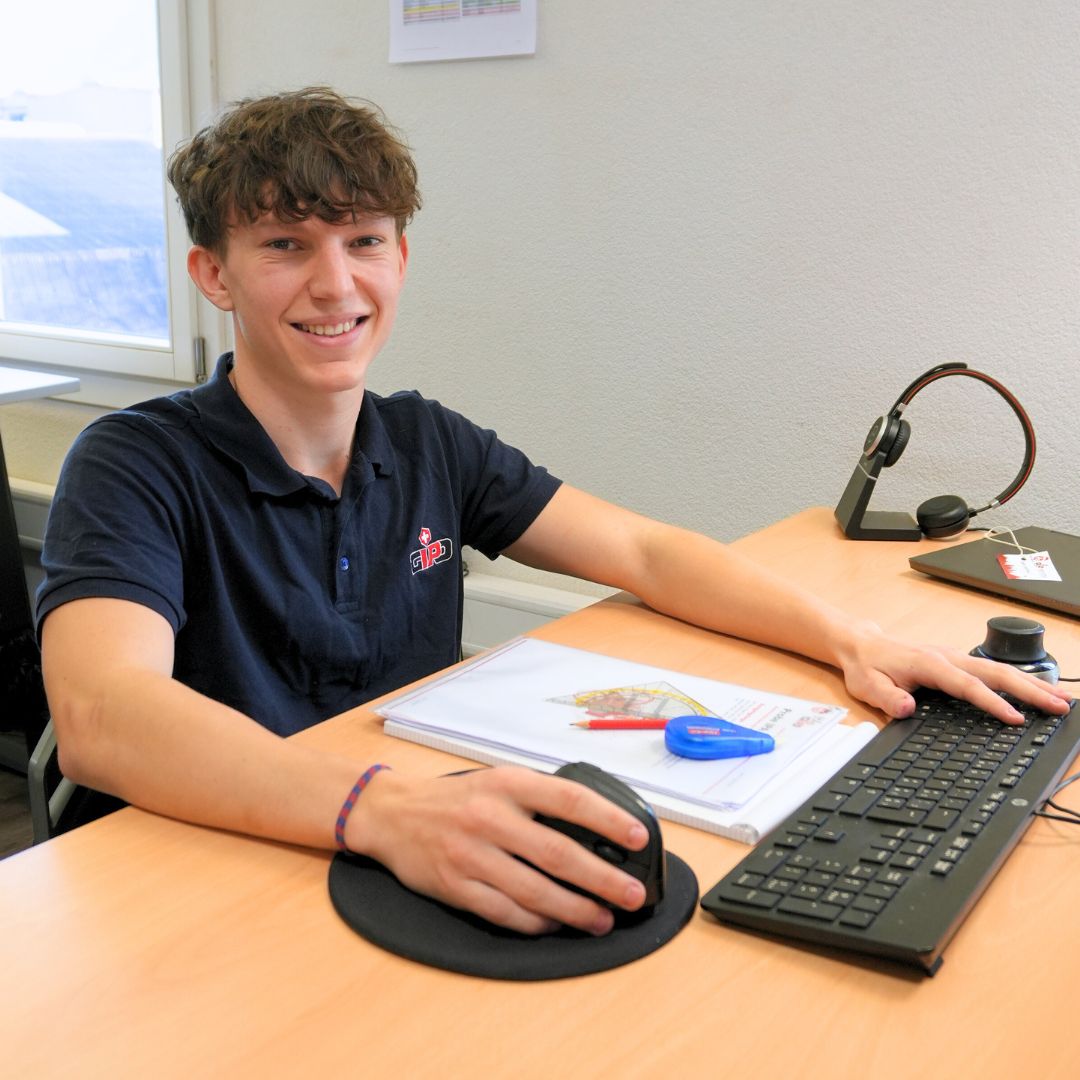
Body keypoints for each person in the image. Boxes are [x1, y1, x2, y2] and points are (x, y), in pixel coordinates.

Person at [36, 88, 1072, 938]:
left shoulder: (427, 441)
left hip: (402, 843)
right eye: (285, 245)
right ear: (213, 274)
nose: (334, 282)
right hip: (209, 866)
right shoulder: (135, 463)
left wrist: (853, 640)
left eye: (364, 240)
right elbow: (101, 715)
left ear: (402, 259)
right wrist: (381, 809)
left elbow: (643, 551)